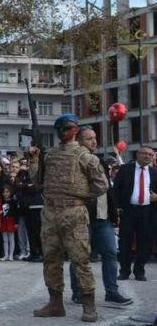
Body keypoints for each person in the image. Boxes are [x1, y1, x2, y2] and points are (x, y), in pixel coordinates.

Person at [30, 113, 108, 323]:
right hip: (50, 212)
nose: (62, 132)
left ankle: (89, 305)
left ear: (73, 129)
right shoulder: (50, 154)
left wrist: (81, 197)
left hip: (74, 213)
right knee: (51, 259)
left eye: (65, 128)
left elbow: (102, 184)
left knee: (80, 259)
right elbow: (37, 181)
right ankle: (55, 303)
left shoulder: (85, 156)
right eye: (60, 129)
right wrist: (34, 159)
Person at [68, 127, 131, 305]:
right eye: (89, 139)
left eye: (95, 138)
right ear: (78, 141)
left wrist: (113, 209)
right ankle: (78, 291)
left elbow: (107, 189)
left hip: (103, 218)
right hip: (82, 218)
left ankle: (112, 292)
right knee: (80, 257)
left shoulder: (100, 162)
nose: (94, 142)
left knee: (110, 253)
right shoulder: (73, 163)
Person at [113, 145, 156, 282]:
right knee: (125, 241)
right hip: (128, 210)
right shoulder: (126, 169)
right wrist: (117, 206)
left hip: (147, 211)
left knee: (145, 242)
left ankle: (139, 271)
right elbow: (116, 189)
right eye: (144, 153)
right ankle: (124, 271)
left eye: (150, 154)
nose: (147, 156)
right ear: (137, 154)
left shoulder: (154, 172)